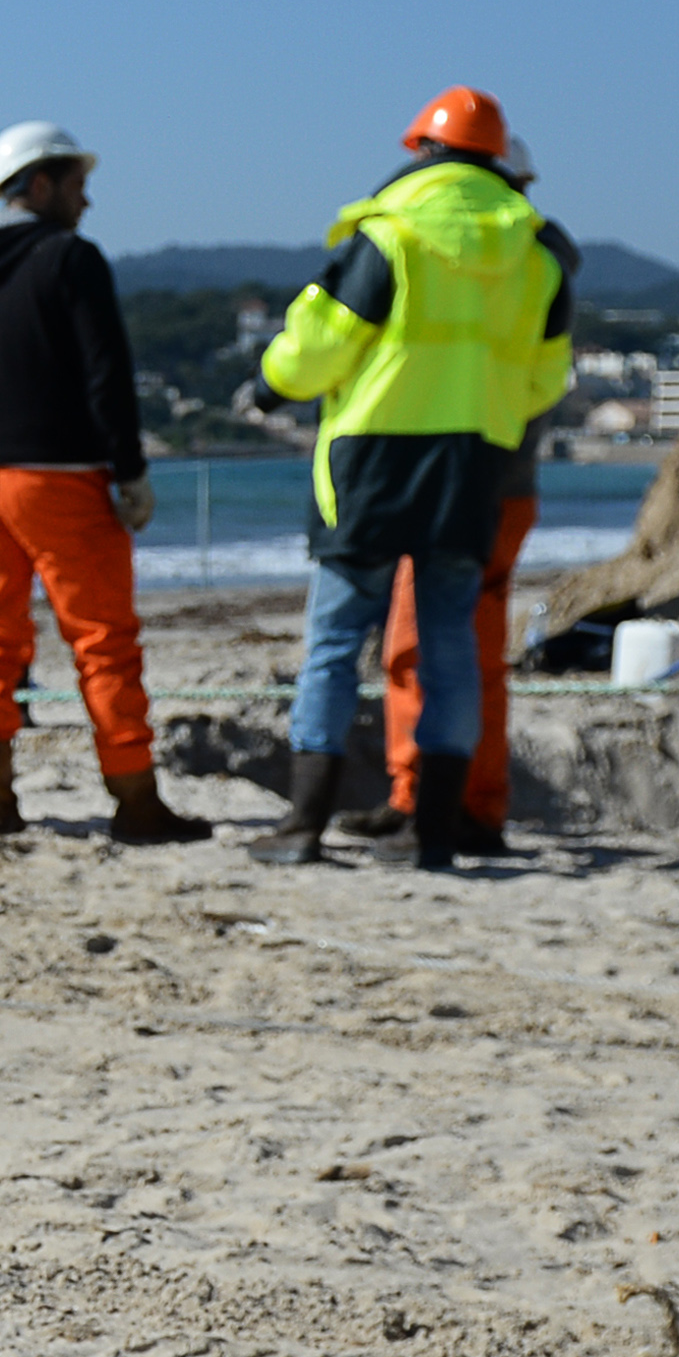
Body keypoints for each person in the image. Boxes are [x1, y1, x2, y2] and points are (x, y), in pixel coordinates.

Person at [248, 86, 577, 870]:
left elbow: (318, 344)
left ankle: (302, 827)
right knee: (452, 650)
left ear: (424, 149)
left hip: (372, 463)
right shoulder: (535, 254)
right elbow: (544, 380)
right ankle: (433, 835)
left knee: (334, 645)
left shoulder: (391, 230)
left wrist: (270, 384)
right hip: (472, 465)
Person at [0, 123, 204, 844]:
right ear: (39, 185)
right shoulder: (71, 259)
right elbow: (107, 374)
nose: (87, 201)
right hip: (59, 477)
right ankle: (135, 800)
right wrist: (130, 472)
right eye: (78, 185)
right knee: (103, 641)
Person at [380, 131, 557, 856]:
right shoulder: (537, 257)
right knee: (466, 653)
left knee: (426, 648)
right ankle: (455, 803)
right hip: (498, 485)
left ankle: (436, 802)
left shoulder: (464, 253)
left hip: (453, 484)